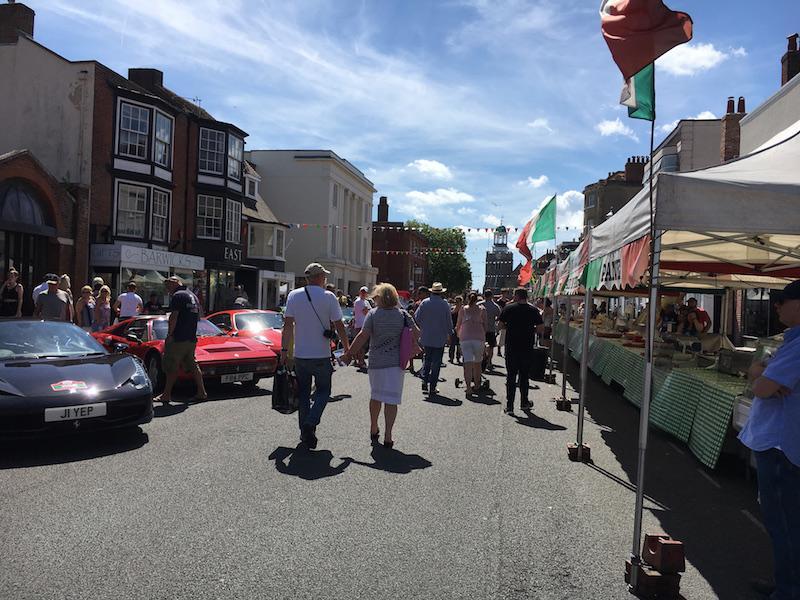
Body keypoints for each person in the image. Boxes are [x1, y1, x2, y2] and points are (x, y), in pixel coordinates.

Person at [738, 279, 800, 600]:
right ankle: (785, 583)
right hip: (781, 443)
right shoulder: (790, 341)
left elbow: (760, 385)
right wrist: (765, 374)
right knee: (785, 523)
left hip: (781, 446)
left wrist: (764, 376)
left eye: (783, 300)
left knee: (785, 526)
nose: (776, 306)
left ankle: (789, 590)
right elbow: (758, 373)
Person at [281, 263, 350, 449]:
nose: (325, 279)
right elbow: (340, 325)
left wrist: (284, 351)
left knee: (303, 393)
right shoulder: (329, 297)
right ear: (319, 277)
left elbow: (287, 325)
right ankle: (311, 423)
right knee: (323, 391)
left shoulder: (294, 296)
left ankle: (305, 433)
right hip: (321, 354)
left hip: (301, 355)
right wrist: (347, 347)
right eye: (324, 276)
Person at [343, 283, 420, 448]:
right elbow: (417, 332)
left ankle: (373, 426)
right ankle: (388, 435)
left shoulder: (373, 314)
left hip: (376, 362)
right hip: (396, 363)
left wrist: (349, 353)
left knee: (376, 396)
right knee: (391, 399)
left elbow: (363, 336)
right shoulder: (403, 314)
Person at [155, 276, 207, 404]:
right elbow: (199, 317)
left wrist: (169, 334)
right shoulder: (193, 296)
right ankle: (202, 392)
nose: (168, 290)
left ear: (175, 283)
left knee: (172, 365)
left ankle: (166, 395)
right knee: (193, 365)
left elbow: (174, 316)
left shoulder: (178, 296)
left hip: (178, 338)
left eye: (168, 286)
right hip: (191, 338)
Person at [498, 287, 544, 414]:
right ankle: (524, 402)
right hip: (527, 347)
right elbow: (540, 328)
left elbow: (500, 326)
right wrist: (530, 330)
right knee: (524, 377)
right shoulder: (534, 310)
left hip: (512, 346)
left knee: (511, 376)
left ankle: (509, 406)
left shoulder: (508, 308)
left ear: (517, 296)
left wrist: (510, 327)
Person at [414, 282, 452, 395]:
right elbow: (448, 322)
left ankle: (424, 381)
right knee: (436, 363)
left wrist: (424, 326)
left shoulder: (424, 303)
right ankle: (433, 387)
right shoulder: (445, 304)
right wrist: (450, 334)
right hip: (439, 337)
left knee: (427, 359)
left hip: (426, 336)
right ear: (441, 292)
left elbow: (416, 317)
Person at [457, 292, 487, 397]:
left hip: (465, 338)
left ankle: (468, 387)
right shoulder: (482, 309)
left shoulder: (463, 309)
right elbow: (485, 325)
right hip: (479, 338)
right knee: (477, 364)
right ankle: (477, 385)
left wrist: (458, 336)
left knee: (467, 364)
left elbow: (458, 324)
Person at [478, 289, 501, 370]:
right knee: (491, 347)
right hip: (491, 329)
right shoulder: (495, 306)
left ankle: (480, 360)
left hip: (480, 329)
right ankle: (489, 362)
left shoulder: (479, 305)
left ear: (484, 295)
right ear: (491, 296)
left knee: (480, 346)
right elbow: (499, 317)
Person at [408, 286, 429, 375]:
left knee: (422, 349)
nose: (418, 295)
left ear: (425, 293)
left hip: (423, 329)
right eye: (418, 293)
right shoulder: (417, 304)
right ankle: (412, 365)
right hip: (416, 327)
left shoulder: (426, 303)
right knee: (412, 346)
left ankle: (423, 367)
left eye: (420, 293)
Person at [352, 286, 371, 369]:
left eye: (365, 292)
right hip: (360, 325)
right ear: (360, 292)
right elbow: (366, 312)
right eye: (362, 292)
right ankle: (361, 361)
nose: (363, 293)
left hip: (364, 325)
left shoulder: (366, 302)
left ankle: (358, 360)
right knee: (361, 345)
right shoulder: (359, 301)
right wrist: (370, 311)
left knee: (363, 345)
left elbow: (370, 311)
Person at [448, 295, 463, 364]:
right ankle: (451, 358)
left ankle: (458, 358)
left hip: (461, 328)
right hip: (453, 328)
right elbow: (450, 316)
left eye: (458, 301)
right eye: (456, 301)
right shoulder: (452, 308)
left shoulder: (463, 309)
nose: (457, 303)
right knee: (452, 344)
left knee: (459, 345)